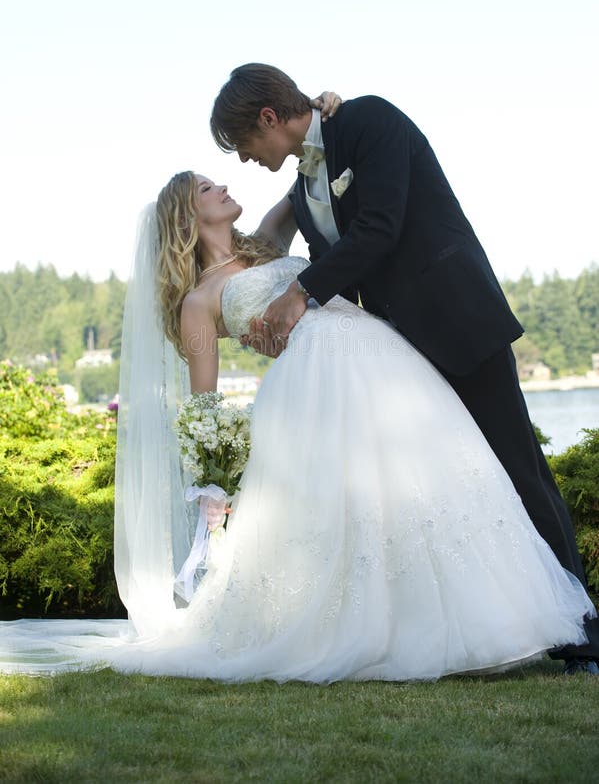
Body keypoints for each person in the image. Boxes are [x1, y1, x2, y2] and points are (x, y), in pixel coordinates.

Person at [0, 170, 594, 680]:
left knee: (422, 486)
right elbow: (203, 402)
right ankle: (368, 635)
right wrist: (213, 483)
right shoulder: (198, 303)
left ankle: (483, 624)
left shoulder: (265, 242)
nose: (225, 185)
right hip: (315, 388)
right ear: (187, 215)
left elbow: (309, 172)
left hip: (382, 359)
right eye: (209, 187)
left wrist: (326, 113)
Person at [210, 63, 599, 675]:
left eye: (244, 145)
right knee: (461, 483)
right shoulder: (304, 189)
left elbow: (380, 227)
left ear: (268, 119)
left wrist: (299, 294)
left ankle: (581, 635)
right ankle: (486, 624)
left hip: (456, 320)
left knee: (517, 468)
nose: (246, 160)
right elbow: (319, 254)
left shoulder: (368, 121)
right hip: (395, 347)